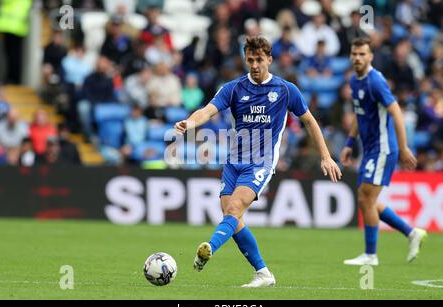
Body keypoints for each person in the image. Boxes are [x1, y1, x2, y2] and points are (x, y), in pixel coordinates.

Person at [174, 35, 342, 287]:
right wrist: (190, 122)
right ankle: (263, 273)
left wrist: (326, 156)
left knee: (232, 210)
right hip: (234, 162)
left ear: (270, 59)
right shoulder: (233, 88)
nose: (254, 65)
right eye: (250, 60)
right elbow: (208, 110)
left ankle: (208, 248)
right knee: (233, 218)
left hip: (260, 163)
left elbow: (309, 120)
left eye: (259, 60)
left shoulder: (286, 90)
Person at [340, 37, 427, 266]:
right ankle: (411, 233)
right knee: (366, 199)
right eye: (354, 54)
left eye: (362, 54)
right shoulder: (354, 80)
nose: (357, 58)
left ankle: (371, 255)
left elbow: (396, 112)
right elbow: (360, 114)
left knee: (366, 198)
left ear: (370, 56)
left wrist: (403, 147)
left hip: (382, 148)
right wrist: (350, 142)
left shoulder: (375, 81)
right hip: (369, 149)